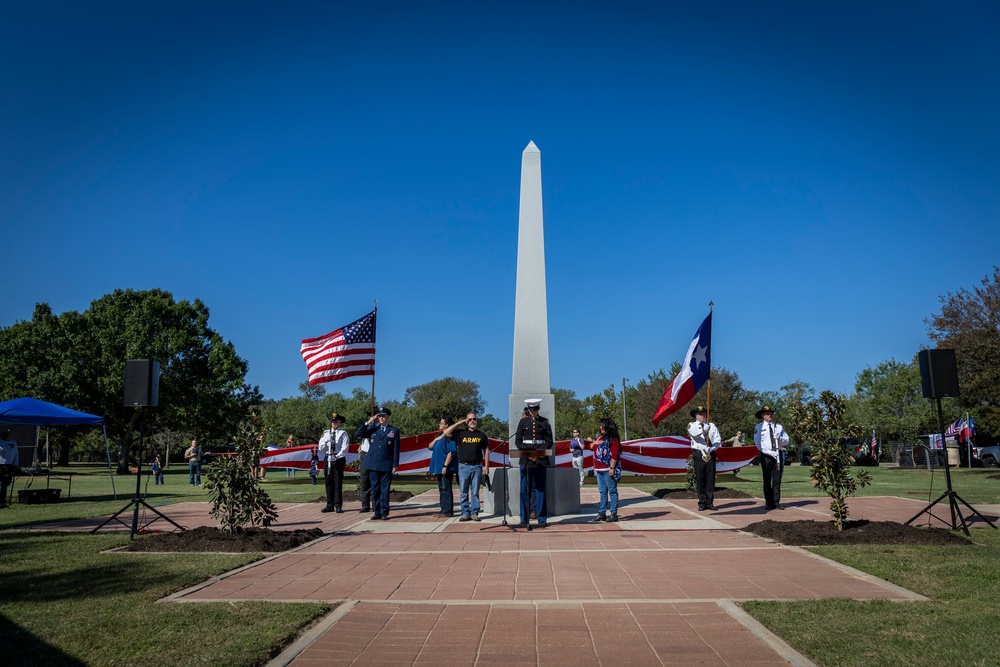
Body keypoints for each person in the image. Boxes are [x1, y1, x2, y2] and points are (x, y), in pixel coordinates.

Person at [443, 412, 490, 521]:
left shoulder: (481, 435)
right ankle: (465, 513)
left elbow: (486, 450)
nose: (472, 421)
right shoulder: (460, 433)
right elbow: (446, 432)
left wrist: (486, 466)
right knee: (464, 492)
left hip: (477, 466)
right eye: (469, 419)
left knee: (475, 492)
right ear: (466, 421)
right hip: (463, 466)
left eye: (474, 419)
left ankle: (474, 512)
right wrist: (460, 422)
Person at [355, 406, 400, 520]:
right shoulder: (373, 429)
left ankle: (384, 511)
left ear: (388, 417)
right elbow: (359, 433)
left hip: (386, 464)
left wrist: (395, 465)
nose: (381, 418)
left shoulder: (393, 431)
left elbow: (396, 450)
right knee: (375, 489)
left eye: (383, 416)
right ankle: (376, 511)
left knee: (384, 489)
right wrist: (368, 422)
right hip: (373, 464)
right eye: (379, 416)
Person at [514, 399, 552, 528]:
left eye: (535, 409)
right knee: (524, 490)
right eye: (530, 409)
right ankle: (524, 518)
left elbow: (549, 441)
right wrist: (530, 454)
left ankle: (542, 518)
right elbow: (518, 441)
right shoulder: (523, 422)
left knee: (541, 489)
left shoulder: (544, 422)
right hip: (526, 460)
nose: (532, 411)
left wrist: (538, 454)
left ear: (538, 409)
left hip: (541, 460)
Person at [754, 405, 789, 510]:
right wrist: (768, 452)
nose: (769, 415)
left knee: (777, 479)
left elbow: (786, 441)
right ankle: (769, 502)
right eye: (767, 414)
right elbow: (758, 443)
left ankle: (776, 501)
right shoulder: (759, 427)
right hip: (766, 456)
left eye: (770, 413)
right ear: (762, 415)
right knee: (767, 479)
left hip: (778, 454)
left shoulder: (778, 427)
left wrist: (780, 437)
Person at [687, 406, 721, 511]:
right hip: (698, 453)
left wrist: (711, 448)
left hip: (710, 453)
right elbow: (694, 435)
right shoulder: (691, 425)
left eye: (704, 414)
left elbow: (717, 439)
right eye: (700, 414)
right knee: (700, 478)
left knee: (710, 479)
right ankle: (702, 502)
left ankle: (710, 502)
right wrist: (703, 430)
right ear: (696, 416)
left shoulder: (712, 425)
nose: (702, 416)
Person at [589, 417, 623, 522]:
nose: (601, 427)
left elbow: (615, 454)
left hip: (608, 468)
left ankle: (613, 513)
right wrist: (595, 443)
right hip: (599, 469)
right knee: (602, 491)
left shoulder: (614, 439)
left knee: (612, 491)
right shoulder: (600, 438)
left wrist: (612, 468)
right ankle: (602, 512)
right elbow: (591, 446)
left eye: (603, 425)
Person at [319, 413, 350, 513]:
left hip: (338, 458)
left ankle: (338, 505)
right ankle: (329, 505)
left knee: (337, 482)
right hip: (328, 457)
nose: (334, 422)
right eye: (332, 421)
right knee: (328, 481)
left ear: (340, 421)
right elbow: (320, 447)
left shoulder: (343, 433)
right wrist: (325, 443)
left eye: (336, 421)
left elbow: (344, 449)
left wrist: (336, 457)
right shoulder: (326, 433)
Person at [428, 417, 458, 517]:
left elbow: (451, 452)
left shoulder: (450, 437)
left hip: (446, 468)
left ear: (447, 425)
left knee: (446, 488)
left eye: (441, 423)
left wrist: (445, 466)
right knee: (441, 488)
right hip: (437, 467)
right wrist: (436, 439)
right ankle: (443, 509)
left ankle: (448, 511)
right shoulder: (440, 436)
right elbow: (430, 446)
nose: (439, 424)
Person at [0, 429, 19, 506]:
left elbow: (15, 454)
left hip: (10, 465)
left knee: (6, 483)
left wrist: (16, 464)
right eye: (4, 434)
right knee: (1, 482)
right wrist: (7, 446)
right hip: (1, 464)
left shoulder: (13, 442)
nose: (6, 435)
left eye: (7, 434)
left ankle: (3, 498)